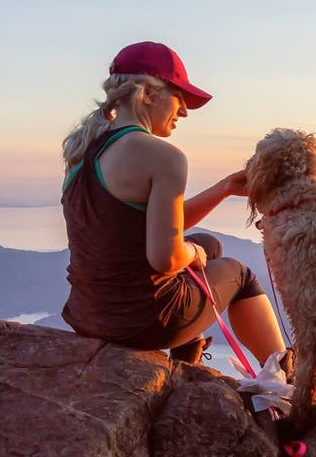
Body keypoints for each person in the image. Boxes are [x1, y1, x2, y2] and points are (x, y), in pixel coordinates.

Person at [60, 41, 286, 366]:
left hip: (87, 314)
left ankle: (186, 358)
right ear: (149, 94)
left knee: (209, 242)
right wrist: (194, 254)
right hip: (143, 322)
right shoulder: (163, 156)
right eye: (179, 98)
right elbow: (165, 258)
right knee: (239, 274)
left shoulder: (83, 150)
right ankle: (283, 377)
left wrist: (223, 189)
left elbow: (143, 224)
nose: (183, 111)